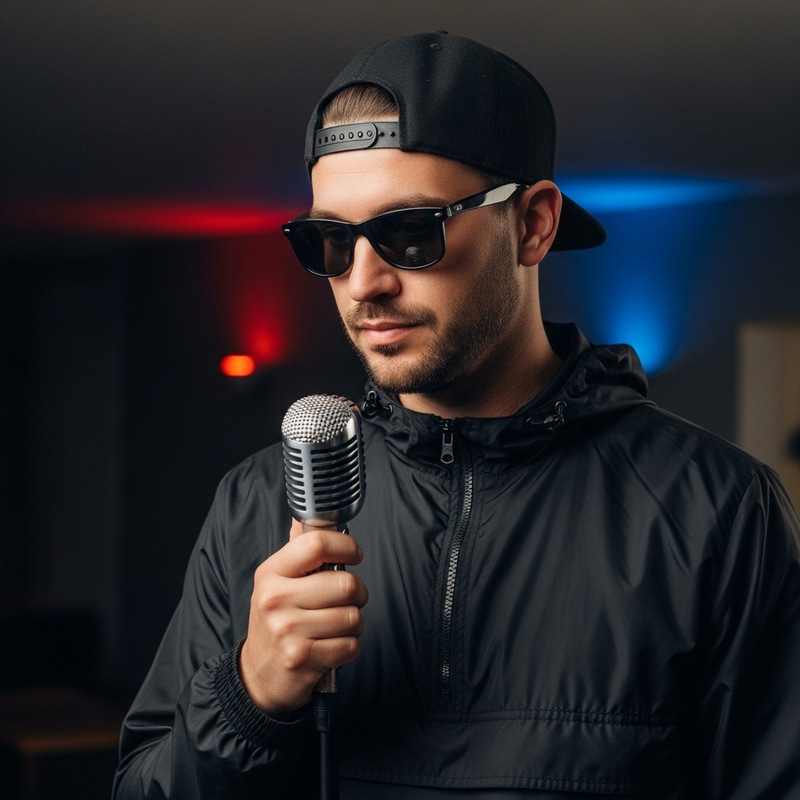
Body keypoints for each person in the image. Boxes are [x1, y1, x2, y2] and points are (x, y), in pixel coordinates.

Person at [113, 32, 800, 799]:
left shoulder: (718, 509)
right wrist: (250, 698)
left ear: (534, 225)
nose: (362, 283)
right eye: (330, 241)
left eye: (410, 233)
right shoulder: (255, 506)